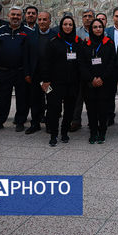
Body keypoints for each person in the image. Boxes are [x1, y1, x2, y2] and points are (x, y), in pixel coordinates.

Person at [0, 6, 32, 132]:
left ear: (22, 17)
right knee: (2, 97)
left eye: (18, 15)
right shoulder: (0, 31)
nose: (15, 17)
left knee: (22, 98)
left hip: (21, 71)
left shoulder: (28, 32)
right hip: (4, 71)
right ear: (8, 16)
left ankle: (20, 121)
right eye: (13, 14)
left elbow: (31, 53)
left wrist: (28, 72)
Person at [42, 16, 82, 146]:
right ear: (61, 26)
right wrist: (46, 81)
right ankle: (53, 134)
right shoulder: (53, 42)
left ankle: (64, 133)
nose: (68, 27)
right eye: (65, 24)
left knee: (70, 109)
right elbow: (47, 63)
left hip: (73, 83)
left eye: (70, 24)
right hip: (55, 83)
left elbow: (82, 62)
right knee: (54, 109)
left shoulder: (78, 42)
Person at [79, 19, 116, 144]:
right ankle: (93, 132)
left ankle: (102, 132)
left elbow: (112, 63)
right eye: (95, 27)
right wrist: (92, 79)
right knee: (91, 109)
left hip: (105, 83)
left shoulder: (109, 43)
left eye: (100, 26)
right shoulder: (85, 44)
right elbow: (82, 64)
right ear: (91, 29)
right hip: (89, 84)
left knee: (103, 109)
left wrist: (102, 78)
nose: (98, 29)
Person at [24, 11, 57, 134]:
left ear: (50, 21)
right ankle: (35, 123)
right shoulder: (31, 36)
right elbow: (26, 56)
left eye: (45, 20)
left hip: (49, 77)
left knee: (51, 99)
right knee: (35, 100)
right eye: (40, 20)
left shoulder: (55, 36)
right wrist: (27, 73)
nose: (42, 22)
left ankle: (49, 124)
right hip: (35, 76)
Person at [70, 8, 95, 131]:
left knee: (92, 99)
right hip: (78, 71)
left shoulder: (99, 31)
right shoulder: (76, 32)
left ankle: (93, 121)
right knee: (77, 98)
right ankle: (75, 121)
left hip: (93, 70)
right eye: (85, 16)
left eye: (90, 16)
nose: (88, 18)